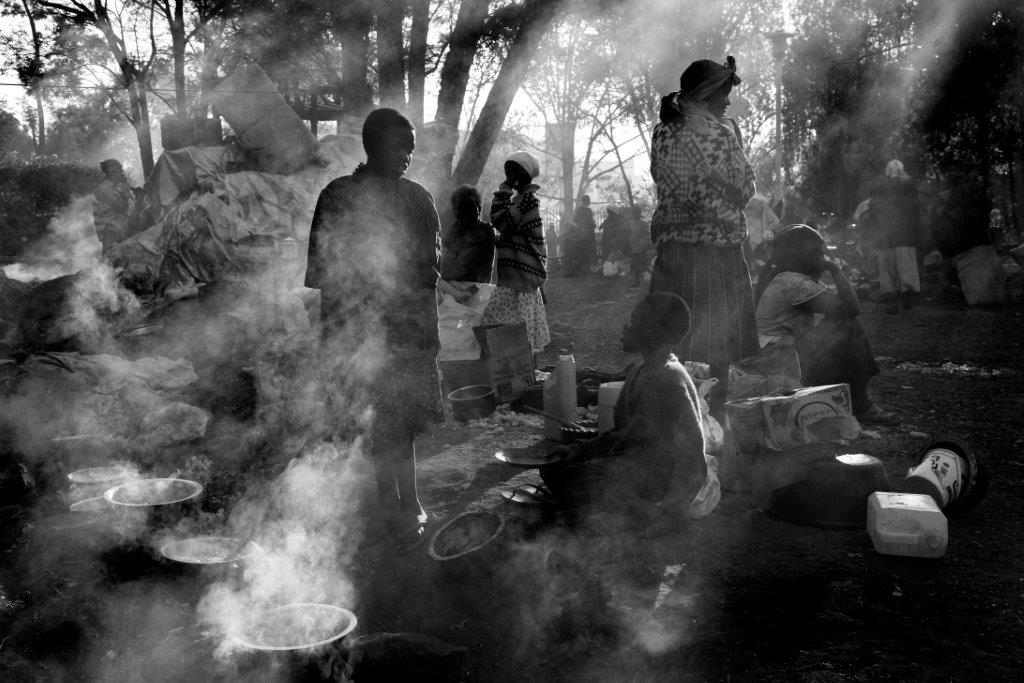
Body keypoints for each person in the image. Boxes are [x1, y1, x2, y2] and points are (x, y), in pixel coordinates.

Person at [305, 108, 443, 551]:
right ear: (372, 145)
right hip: (365, 334)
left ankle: (409, 501)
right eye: (399, 147)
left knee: (397, 421)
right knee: (383, 421)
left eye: (411, 150)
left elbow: (428, 275)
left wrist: (428, 336)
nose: (406, 156)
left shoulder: (415, 199)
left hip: (398, 332)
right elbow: (327, 274)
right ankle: (393, 502)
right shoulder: (342, 197)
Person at [648, 56, 758, 420]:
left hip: (675, 248)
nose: (728, 102)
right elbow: (744, 190)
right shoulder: (721, 134)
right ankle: (715, 413)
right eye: (724, 94)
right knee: (718, 341)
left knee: (672, 336)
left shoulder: (663, 131)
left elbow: (658, 177)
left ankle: (669, 405)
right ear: (708, 94)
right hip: (717, 249)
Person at [538, 292, 707, 524]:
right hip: (630, 467)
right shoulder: (641, 370)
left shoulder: (669, 380)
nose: (626, 326)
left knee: (576, 480)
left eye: (633, 320)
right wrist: (577, 450)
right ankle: (613, 508)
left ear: (653, 332)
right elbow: (622, 435)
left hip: (653, 479)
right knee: (553, 468)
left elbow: (693, 458)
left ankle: (641, 512)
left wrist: (672, 510)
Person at [754, 224, 895, 423]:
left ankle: (851, 400)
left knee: (836, 325)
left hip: (782, 356)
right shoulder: (792, 282)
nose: (824, 259)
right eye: (819, 254)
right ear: (804, 257)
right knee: (848, 328)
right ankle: (861, 405)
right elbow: (852, 309)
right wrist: (835, 269)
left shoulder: (791, 278)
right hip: (780, 361)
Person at [479, 150, 551, 353]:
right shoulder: (522, 199)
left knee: (513, 333)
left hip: (521, 280)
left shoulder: (528, 200)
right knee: (510, 330)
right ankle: (518, 376)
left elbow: (502, 221)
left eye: (513, 173)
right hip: (517, 278)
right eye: (508, 173)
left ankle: (523, 377)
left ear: (525, 175)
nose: (510, 178)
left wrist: (503, 191)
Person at [864, 160, 922, 313]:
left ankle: (895, 304)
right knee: (906, 270)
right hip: (905, 237)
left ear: (888, 171)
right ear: (901, 170)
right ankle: (907, 300)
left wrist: (872, 232)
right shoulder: (910, 187)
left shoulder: (881, 188)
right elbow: (916, 212)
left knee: (888, 272)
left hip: (887, 237)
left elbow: (874, 211)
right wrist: (916, 233)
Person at [440, 185, 496, 286]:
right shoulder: (457, 228)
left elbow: (460, 269)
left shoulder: (483, 232)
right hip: (453, 285)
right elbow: (441, 255)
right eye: (461, 209)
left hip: (472, 289)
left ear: (479, 209)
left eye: (469, 209)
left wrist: (434, 275)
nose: (464, 215)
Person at [92, 159, 134, 252]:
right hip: (111, 234)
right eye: (120, 169)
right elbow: (121, 207)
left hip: (119, 232)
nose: (122, 172)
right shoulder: (104, 189)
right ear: (112, 170)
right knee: (113, 263)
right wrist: (125, 192)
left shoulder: (115, 188)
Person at [572, 194, 597, 273]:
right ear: (587, 202)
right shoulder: (588, 210)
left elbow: (575, 219)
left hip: (580, 234)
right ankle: (587, 268)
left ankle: (581, 268)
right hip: (588, 235)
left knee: (581, 251)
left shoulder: (579, 209)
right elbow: (590, 222)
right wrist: (593, 225)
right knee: (588, 251)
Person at [628, 206, 651, 287]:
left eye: (638, 213)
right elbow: (630, 233)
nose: (636, 214)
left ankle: (642, 281)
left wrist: (643, 243)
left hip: (641, 248)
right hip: (633, 247)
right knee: (635, 265)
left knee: (643, 264)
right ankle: (637, 281)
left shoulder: (643, 223)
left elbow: (647, 235)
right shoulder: (631, 223)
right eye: (635, 213)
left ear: (640, 214)